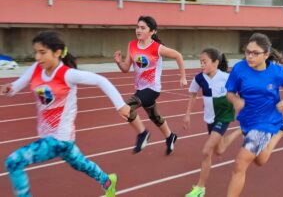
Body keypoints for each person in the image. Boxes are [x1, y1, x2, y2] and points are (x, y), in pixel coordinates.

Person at [1, 31, 130, 197]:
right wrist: (9, 89)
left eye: (42, 52)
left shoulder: (67, 75)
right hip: (52, 137)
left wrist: (120, 105)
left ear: (57, 52)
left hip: (59, 139)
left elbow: (101, 80)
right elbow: (17, 86)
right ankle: (107, 181)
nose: (37, 57)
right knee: (81, 164)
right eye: (35, 52)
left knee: (14, 161)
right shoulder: (36, 68)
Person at [225, 33, 283, 197]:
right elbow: (229, 92)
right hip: (247, 120)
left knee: (240, 164)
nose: (250, 56)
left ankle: (277, 128)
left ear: (266, 54)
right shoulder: (239, 68)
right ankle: (280, 132)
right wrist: (235, 100)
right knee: (260, 161)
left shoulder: (276, 71)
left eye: (255, 53)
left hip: (267, 121)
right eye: (247, 52)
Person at [114, 15, 187, 155]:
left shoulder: (157, 48)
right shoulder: (132, 45)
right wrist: (118, 62)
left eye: (143, 28)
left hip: (152, 89)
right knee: (155, 117)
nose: (138, 30)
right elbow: (125, 69)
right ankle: (170, 136)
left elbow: (178, 55)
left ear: (152, 31)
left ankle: (143, 133)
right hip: (140, 89)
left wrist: (183, 77)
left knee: (125, 108)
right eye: (137, 27)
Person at [183, 48, 242, 197]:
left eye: (205, 61)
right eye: (200, 62)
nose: (202, 64)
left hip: (224, 115)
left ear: (215, 62)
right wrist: (187, 115)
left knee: (206, 151)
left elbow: (238, 94)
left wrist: (237, 109)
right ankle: (240, 130)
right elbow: (193, 95)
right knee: (219, 150)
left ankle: (200, 188)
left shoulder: (226, 77)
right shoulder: (199, 79)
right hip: (210, 117)